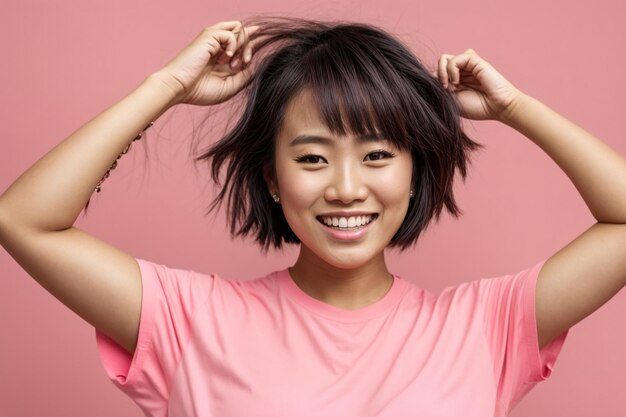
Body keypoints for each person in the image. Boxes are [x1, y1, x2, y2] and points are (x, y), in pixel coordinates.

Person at [0, 16, 624, 417]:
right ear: (272, 178)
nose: (347, 188)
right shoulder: (189, 320)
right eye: (313, 158)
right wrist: (167, 84)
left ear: (416, 172)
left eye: (378, 154)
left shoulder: (485, 327)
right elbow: (23, 219)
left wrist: (515, 107)